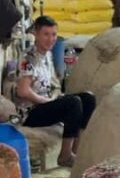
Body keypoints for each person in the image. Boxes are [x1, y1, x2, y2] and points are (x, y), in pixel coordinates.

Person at [15, 15, 96, 168]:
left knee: (88, 98)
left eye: (54, 34)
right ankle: (65, 156)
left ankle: (76, 150)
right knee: (73, 103)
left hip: (46, 104)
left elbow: (51, 85)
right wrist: (47, 101)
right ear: (36, 34)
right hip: (30, 113)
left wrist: (56, 97)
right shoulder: (28, 58)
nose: (51, 39)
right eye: (46, 34)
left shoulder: (47, 55)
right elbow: (23, 91)